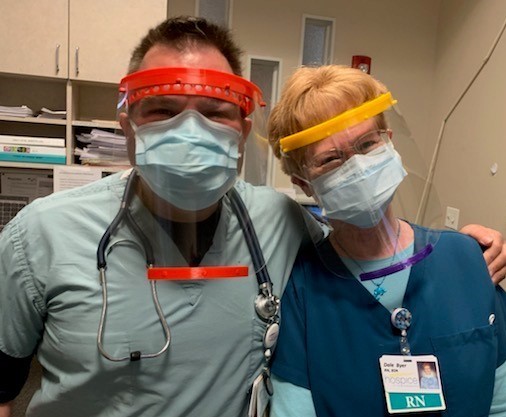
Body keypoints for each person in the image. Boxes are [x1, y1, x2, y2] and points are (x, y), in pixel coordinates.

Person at [0, 17, 504, 417]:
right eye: (163, 110)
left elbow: (368, 247)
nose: (190, 128)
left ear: (241, 128)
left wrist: (466, 253)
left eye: (215, 111)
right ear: (126, 123)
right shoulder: (39, 235)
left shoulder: (280, 222)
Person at [267, 64, 506, 416]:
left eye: (367, 144)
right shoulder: (302, 288)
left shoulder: (468, 258)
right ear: (304, 184)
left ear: (390, 144)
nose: (358, 166)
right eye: (331, 159)